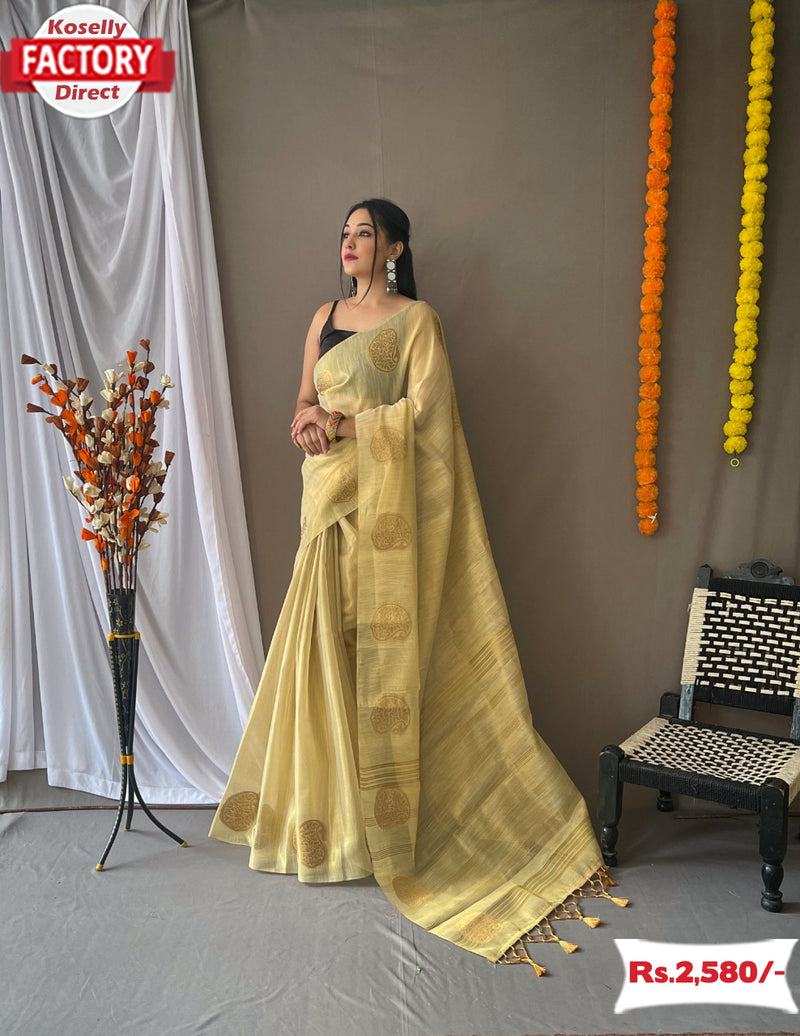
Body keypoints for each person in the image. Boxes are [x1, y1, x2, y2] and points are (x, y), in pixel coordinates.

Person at [209, 199, 617, 967]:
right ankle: (335, 828)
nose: (350, 242)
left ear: (394, 248)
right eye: (344, 232)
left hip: (386, 508)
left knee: (378, 660)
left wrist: (342, 426)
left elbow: (425, 414)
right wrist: (305, 421)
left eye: (365, 232)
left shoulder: (417, 321)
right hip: (328, 499)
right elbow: (304, 398)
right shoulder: (324, 317)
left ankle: (396, 828)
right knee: (325, 655)